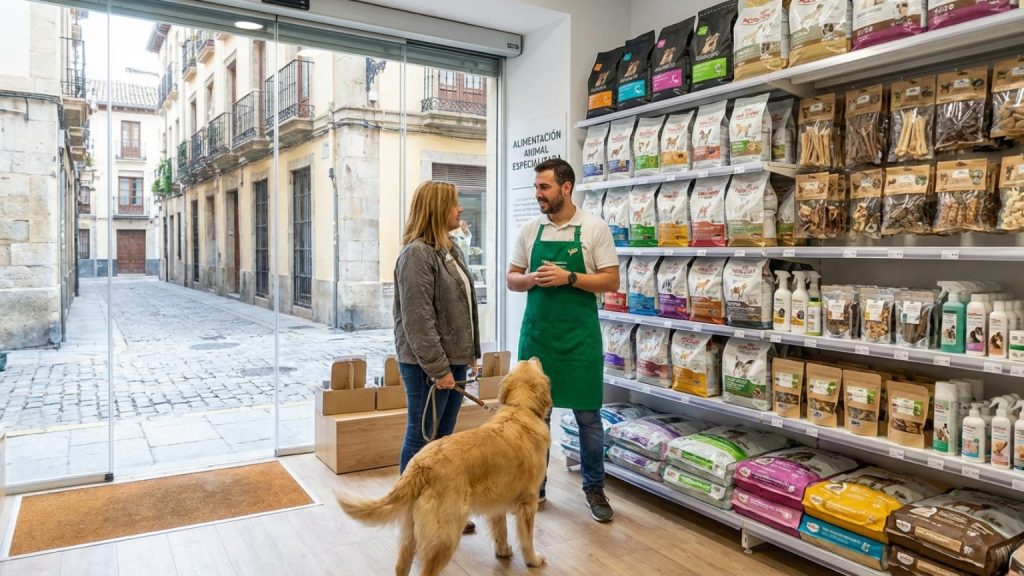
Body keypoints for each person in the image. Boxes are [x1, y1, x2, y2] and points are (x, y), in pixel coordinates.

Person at [507, 158, 620, 522]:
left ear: (566, 187)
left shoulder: (593, 228)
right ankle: (535, 485)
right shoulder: (529, 230)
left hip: (580, 339)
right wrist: (532, 280)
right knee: (536, 415)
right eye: (536, 187)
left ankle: (594, 488)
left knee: (588, 416)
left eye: (544, 187)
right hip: (538, 337)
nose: (538, 194)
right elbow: (512, 277)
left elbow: (611, 281)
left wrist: (569, 278)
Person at [393, 180, 481, 533]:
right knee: (422, 437)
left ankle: (443, 511)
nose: (460, 209)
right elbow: (418, 321)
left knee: (444, 443)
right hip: (427, 366)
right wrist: (439, 369)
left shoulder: (450, 249)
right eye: (454, 203)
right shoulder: (416, 254)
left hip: (453, 361)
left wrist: (470, 354)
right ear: (436, 209)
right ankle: (409, 512)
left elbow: (463, 307)